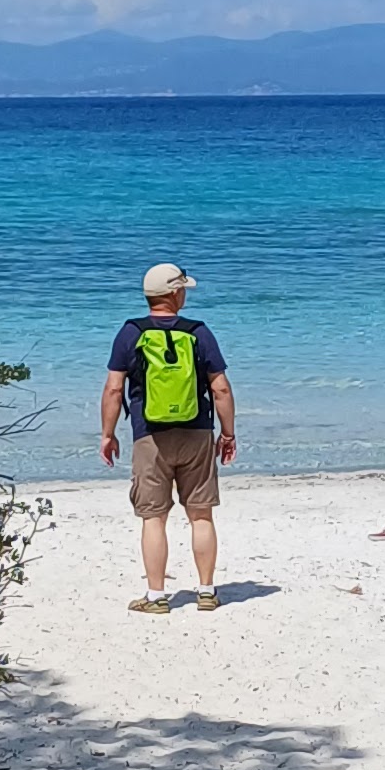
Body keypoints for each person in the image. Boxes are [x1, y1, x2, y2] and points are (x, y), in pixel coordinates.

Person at [100, 261, 236, 616]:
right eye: (183, 290)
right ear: (174, 294)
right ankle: (206, 592)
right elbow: (220, 388)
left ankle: (157, 596)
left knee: (154, 518)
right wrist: (228, 434)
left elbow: (114, 389)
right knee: (201, 515)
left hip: (149, 436)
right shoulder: (199, 332)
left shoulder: (130, 333)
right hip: (197, 432)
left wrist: (108, 435)